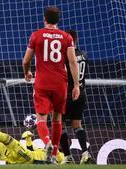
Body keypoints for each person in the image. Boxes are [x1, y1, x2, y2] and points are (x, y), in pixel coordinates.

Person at [22, 6, 80, 163]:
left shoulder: (36, 35)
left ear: (44, 19)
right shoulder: (66, 37)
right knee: (57, 119)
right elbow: (73, 62)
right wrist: (76, 85)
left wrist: (26, 72)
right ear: (58, 20)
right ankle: (53, 153)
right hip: (60, 83)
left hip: (42, 82)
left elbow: (26, 60)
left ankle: (47, 142)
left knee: (41, 119)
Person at [0, 112, 65, 164]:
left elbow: (39, 158)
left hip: (27, 157)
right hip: (21, 158)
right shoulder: (46, 151)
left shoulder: (58, 155)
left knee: (6, 138)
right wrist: (28, 140)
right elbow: (33, 151)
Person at [60, 30, 92, 164]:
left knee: (59, 125)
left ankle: (67, 157)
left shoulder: (66, 56)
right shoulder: (84, 54)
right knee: (77, 125)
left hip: (67, 93)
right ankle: (85, 153)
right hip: (81, 93)